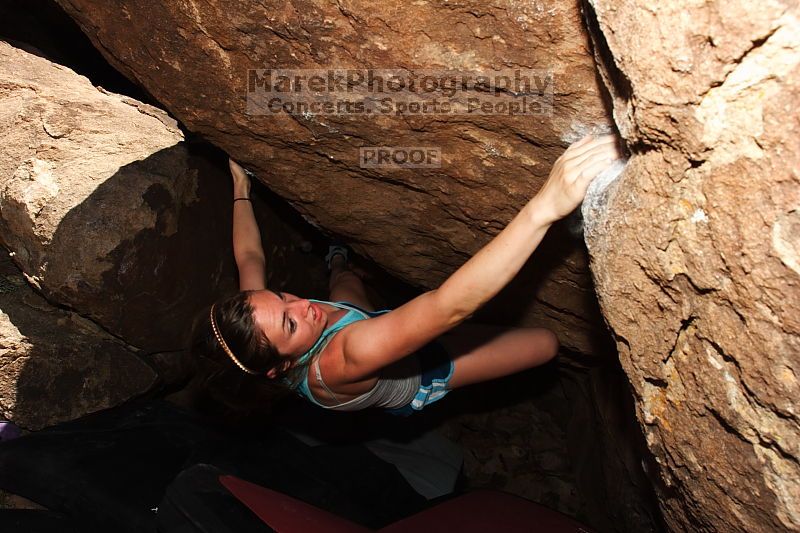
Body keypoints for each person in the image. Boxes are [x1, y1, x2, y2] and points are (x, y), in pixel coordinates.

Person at [187, 134, 621, 417]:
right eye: (290, 321)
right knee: (545, 345)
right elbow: (447, 306)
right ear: (279, 367)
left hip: (368, 324)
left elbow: (248, 257)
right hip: (421, 370)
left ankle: (338, 262)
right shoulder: (346, 359)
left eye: (282, 296)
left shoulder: (259, 324)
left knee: (345, 290)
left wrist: (240, 187)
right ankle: (349, 277)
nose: (302, 303)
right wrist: (545, 206)